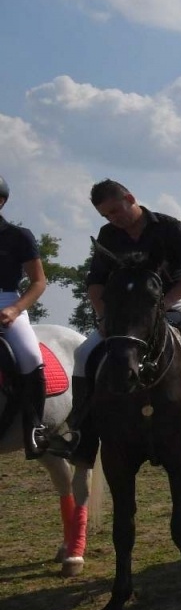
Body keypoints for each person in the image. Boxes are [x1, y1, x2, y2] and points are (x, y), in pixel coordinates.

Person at [54, 180, 181, 464]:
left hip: (171, 302)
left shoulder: (168, 227)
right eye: (107, 216)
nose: (114, 219)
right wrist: (104, 316)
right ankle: (79, 429)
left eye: (116, 210)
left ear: (130, 198)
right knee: (83, 352)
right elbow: (95, 282)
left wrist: (167, 301)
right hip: (126, 314)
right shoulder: (108, 235)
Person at [0, 177, 50, 458]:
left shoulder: (18, 236)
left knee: (30, 356)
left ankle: (35, 427)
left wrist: (15, 309)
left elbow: (39, 282)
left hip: (6, 301)